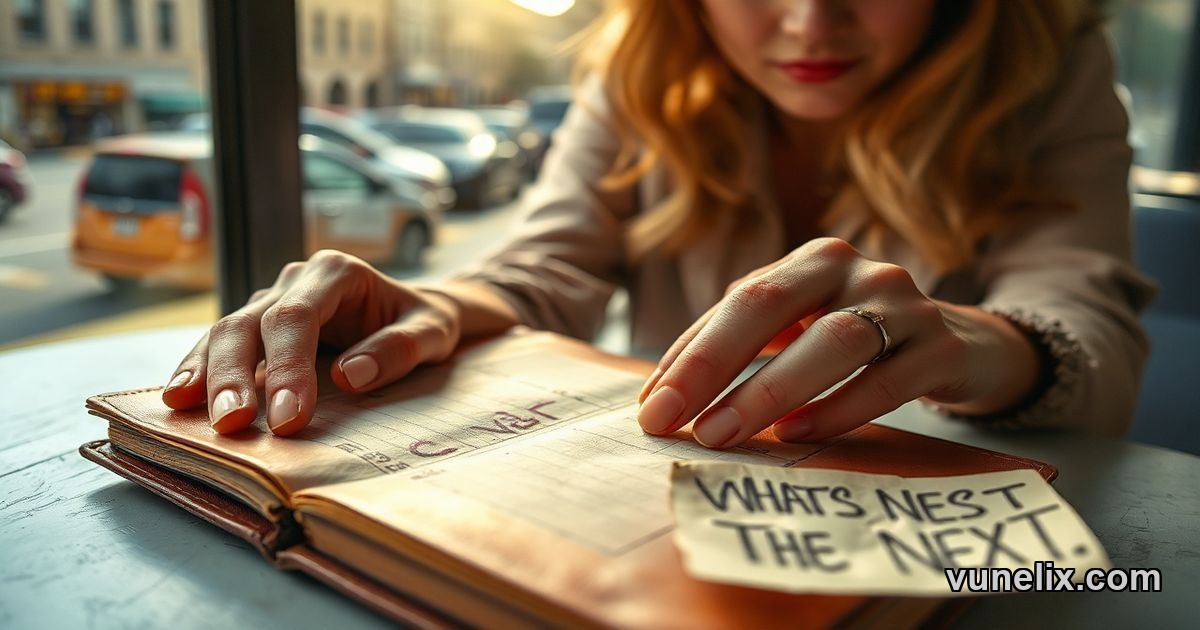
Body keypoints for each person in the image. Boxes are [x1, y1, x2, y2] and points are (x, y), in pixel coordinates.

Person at [162, 0, 1154, 450]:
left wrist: (971, 342)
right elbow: (540, 273)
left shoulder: (1045, 63)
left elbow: (1091, 333)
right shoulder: (639, 70)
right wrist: (430, 306)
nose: (811, 23)